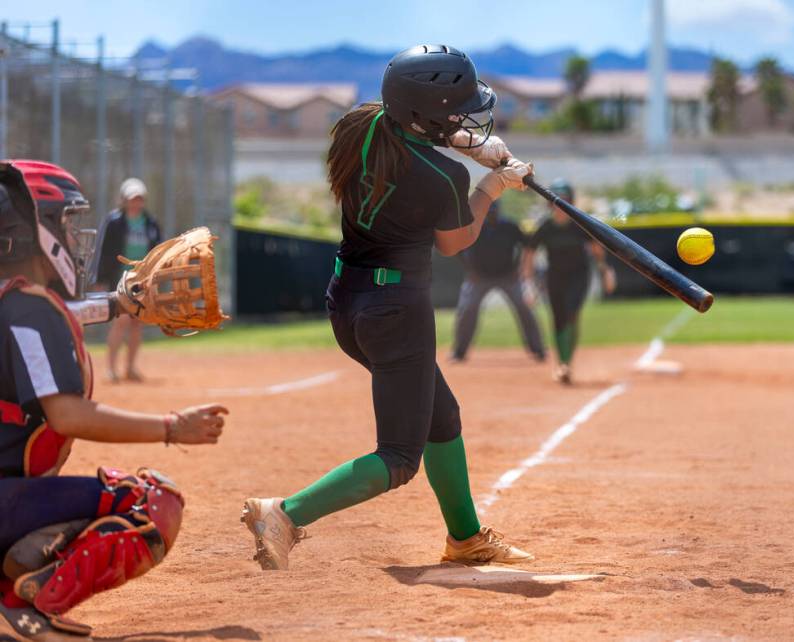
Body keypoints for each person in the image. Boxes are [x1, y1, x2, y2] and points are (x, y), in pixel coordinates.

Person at [241, 45, 535, 571]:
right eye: (454, 108)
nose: (463, 114)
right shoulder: (444, 178)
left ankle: (465, 539)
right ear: (424, 112)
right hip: (398, 312)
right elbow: (455, 241)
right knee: (400, 458)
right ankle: (284, 513)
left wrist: (474, 145)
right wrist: (493, 185)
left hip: (349, 301)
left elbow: (421, 137)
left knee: (441, 417)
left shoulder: (362, 129)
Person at [0, 160, 227, 642]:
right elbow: (66, 414)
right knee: (149, 501)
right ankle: (25, 601)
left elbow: (60, 317)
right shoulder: (28, 311)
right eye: (65, 221)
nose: (74, 234)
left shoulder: (16, 303)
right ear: (34, 228)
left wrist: (120, 305)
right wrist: (171, 426)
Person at [523, 180, 616, 385]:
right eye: (555, 201)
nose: (558, 205)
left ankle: (566, 363)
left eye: (563, 201)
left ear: (571, 202)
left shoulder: (579, 224)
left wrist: (605, 271)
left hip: (578, 276)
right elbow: (529, 253)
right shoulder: (546, 227)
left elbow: (596, 247)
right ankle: (562, 364)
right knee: (558, 319)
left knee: (572, 313)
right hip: (554, 276)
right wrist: (528, 283)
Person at [451, 200, 545, 362]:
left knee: (524, 306)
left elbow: (527, 247)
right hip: (479, 277)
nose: (491, 214)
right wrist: (469, 269)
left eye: (493, 211)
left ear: (499, 211)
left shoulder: (509, 226)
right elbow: (458, 248)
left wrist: (521, 269)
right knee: (467, 308)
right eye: (488, 212)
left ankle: (538, 349)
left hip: (508, 276)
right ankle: (459, 352)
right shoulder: (473, 226)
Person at [93, 178, 161, 383]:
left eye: (139, 198)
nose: (136, 202)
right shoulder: (114, 221)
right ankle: (111, 369)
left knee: (137, 323)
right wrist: (100, 279)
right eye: (132, 198)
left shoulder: (150, 223)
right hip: (119, 279)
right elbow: (102, 251)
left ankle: (130, 368)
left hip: (142, 281)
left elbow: (158, 252)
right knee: (121, 321)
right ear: (124, 199)